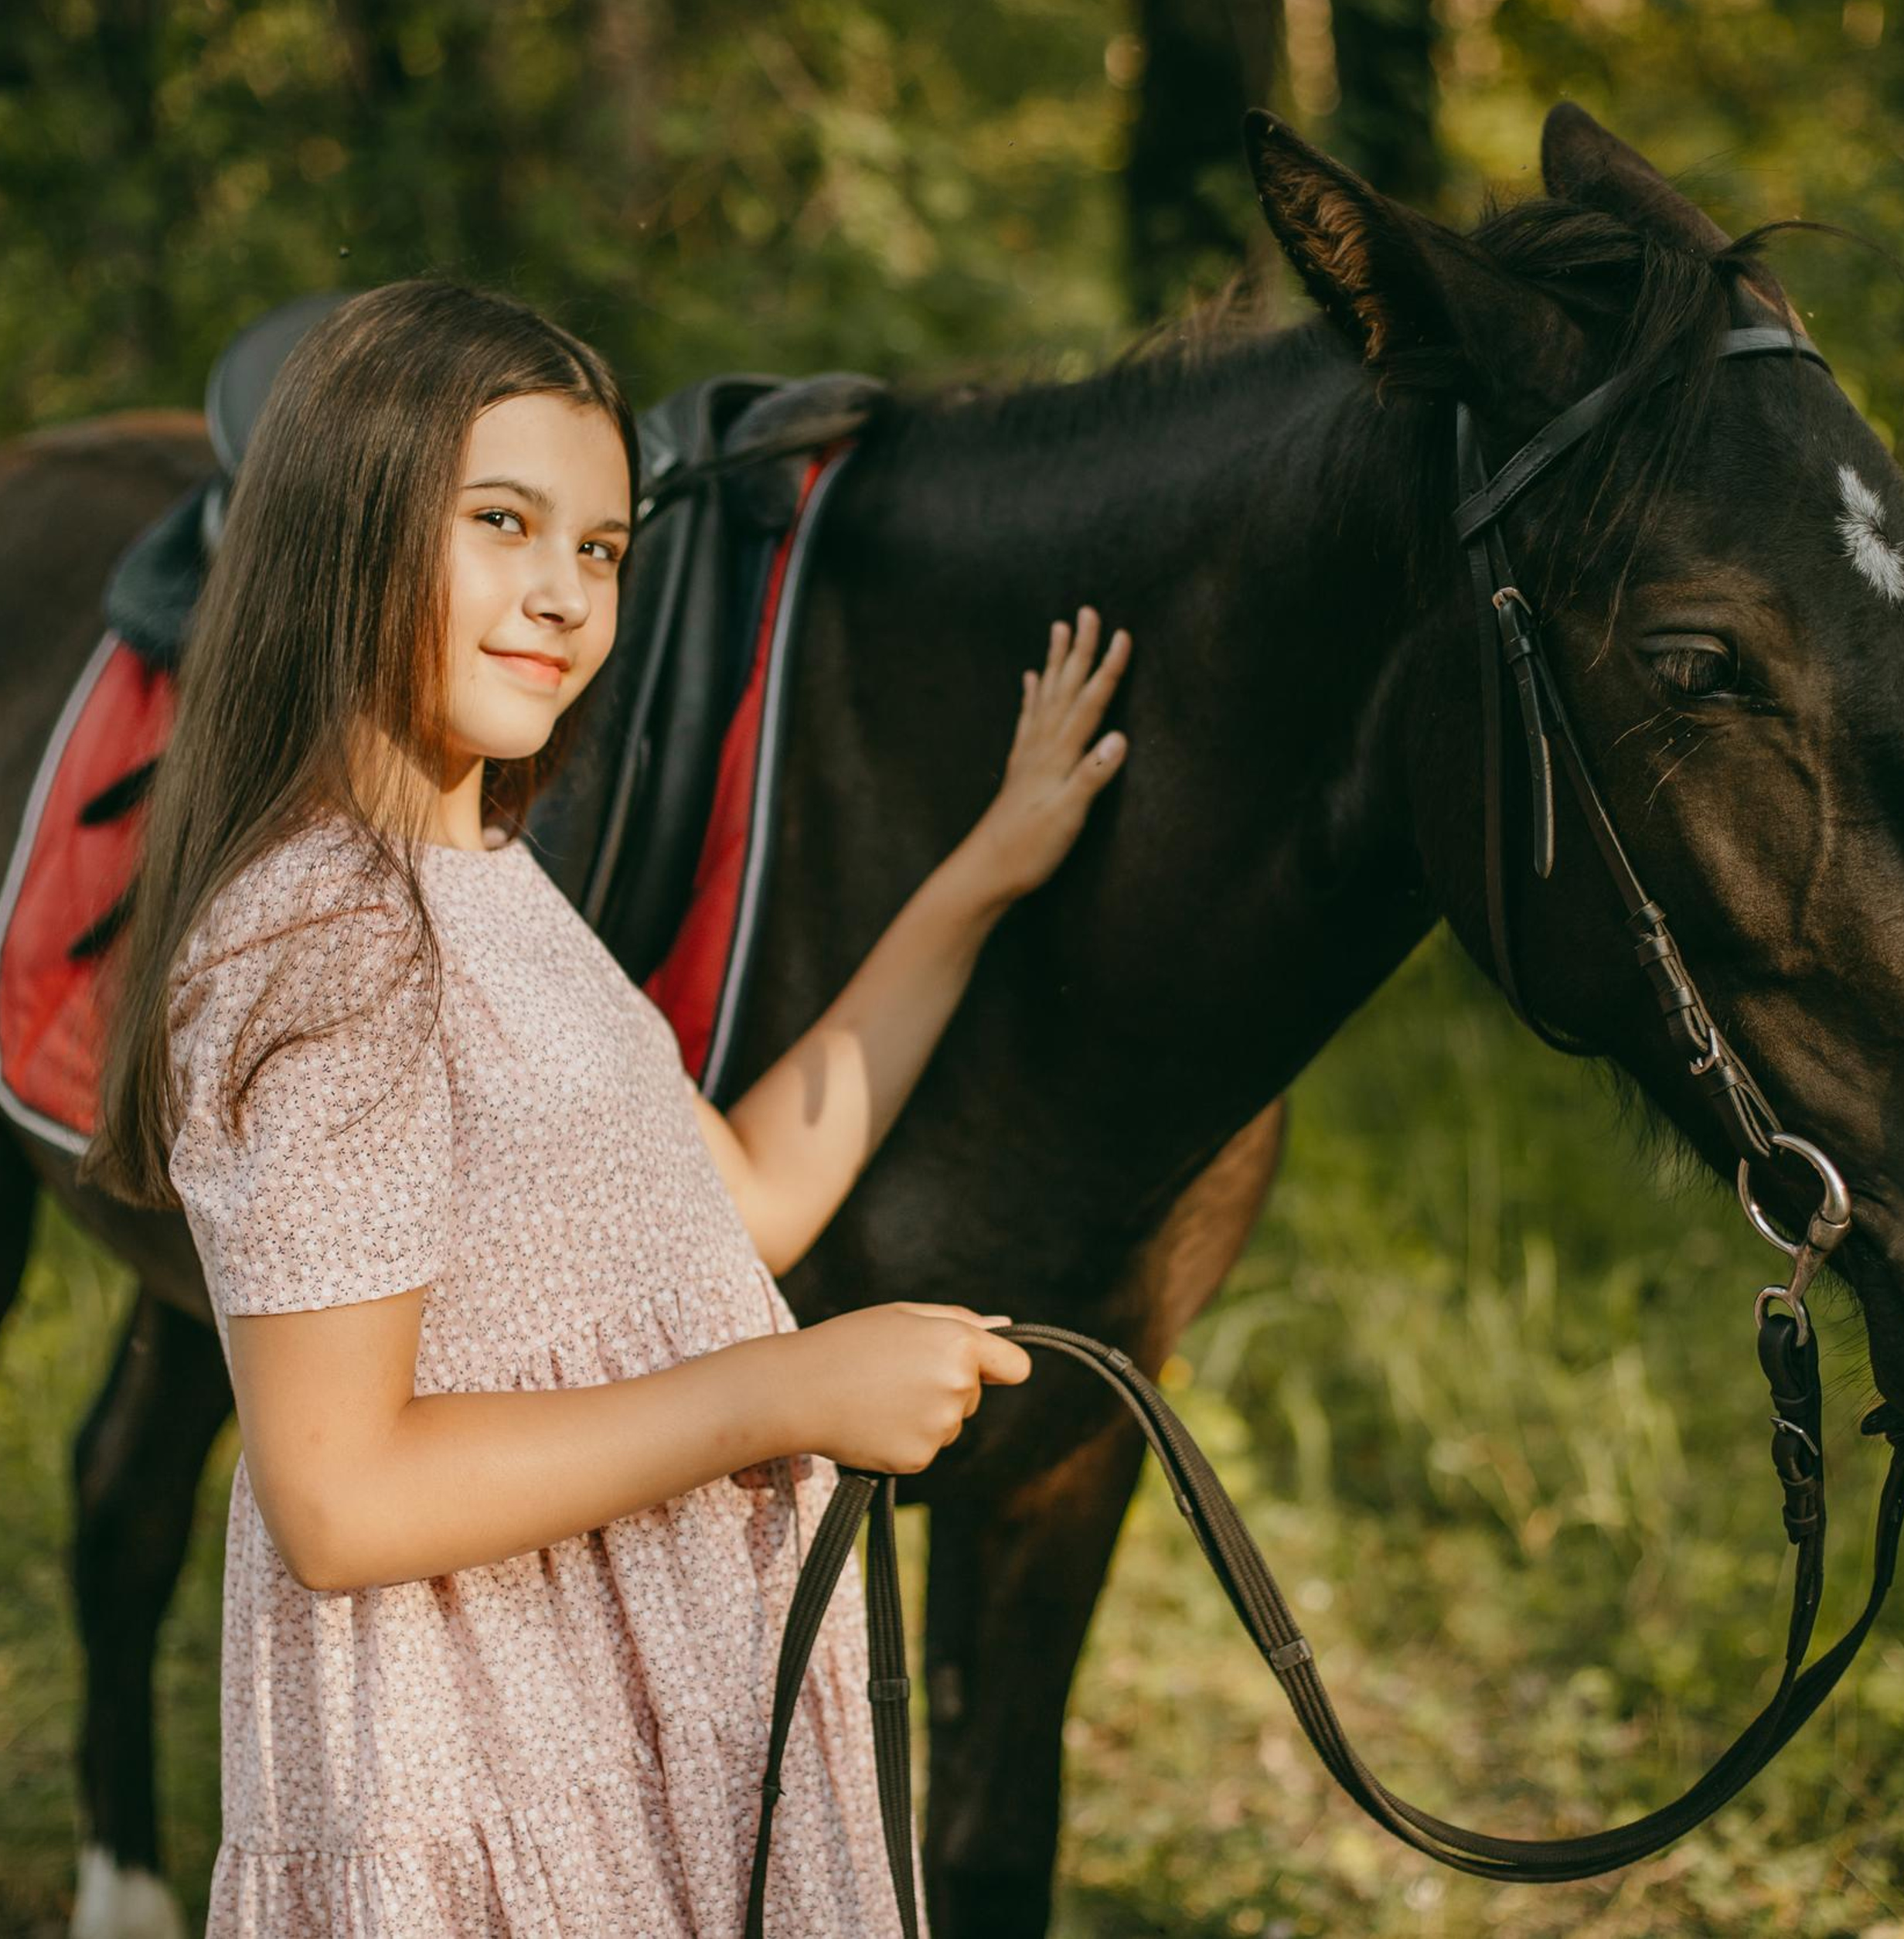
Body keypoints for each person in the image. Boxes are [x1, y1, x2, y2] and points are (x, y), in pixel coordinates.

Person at [80, 278, 1133, 1936]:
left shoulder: (482, 872)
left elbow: (748, 1194)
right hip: (503, 1762)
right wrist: (786, 1387)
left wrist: (980, 878)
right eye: (504, 521)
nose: (567, 595)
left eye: (603, 549)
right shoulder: (333, 941)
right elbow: (341, 1495)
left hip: (625, 1716)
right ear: (347, 528)